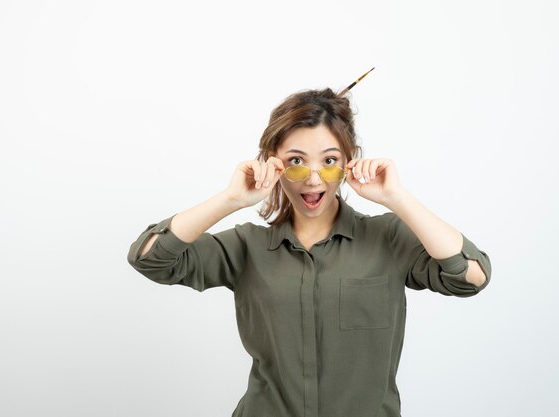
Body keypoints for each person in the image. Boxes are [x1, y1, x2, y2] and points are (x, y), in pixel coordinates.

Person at [127, 84, 491, 417]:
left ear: (348, 162)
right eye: (297, 162)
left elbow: (471, 276)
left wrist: (398, 199)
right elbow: (150, 258)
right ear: (274, 162)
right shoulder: (246, 246)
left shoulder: (389, 238)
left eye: (330, 161)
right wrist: (230, 199)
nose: (314, 179)